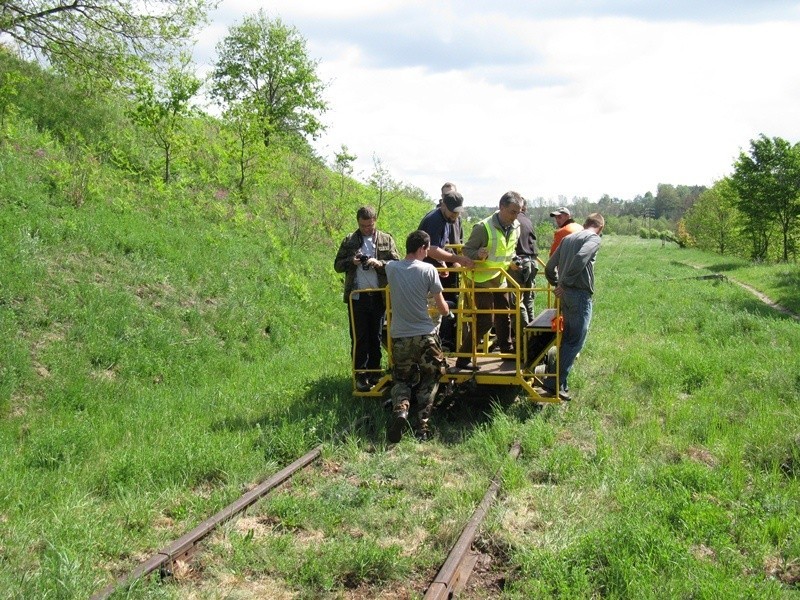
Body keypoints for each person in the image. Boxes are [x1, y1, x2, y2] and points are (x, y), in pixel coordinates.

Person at [384, 230, 451, 442]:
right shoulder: (429, 269)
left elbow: (381, 264)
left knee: (401, 379)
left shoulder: (391, 268)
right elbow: (441, 307)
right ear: (422, 248)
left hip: (400, 336)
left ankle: (401, 410)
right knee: (431, 377)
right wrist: (448, 312)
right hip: (425, 336)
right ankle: (421, 428)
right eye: (427, 249)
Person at [334, 206, 400, 391]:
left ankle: (374, 373)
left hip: (379, 295)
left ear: (375, 221)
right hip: (357, 297)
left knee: (376, 336)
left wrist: (380, 263)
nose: (367, 229)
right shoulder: (349, 240)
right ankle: (360, 375)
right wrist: (351, 262)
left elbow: (397, 263)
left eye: (370, 225)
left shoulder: (386, 239)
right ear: (358, 223)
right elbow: (337, 265)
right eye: (363, 226)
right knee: (359, 337)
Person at [455, 191, 523, 369]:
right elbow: (466, 250)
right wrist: (477, 254)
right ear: (501, 207)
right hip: (480, 279)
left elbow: (510, 250)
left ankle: (507, 351)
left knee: (504, 315)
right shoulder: (483, 227)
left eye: (518, 212)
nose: (516, 216)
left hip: (500, 277)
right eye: (513, 212)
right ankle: (463, 359)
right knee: (485, 320)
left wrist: (514, 262)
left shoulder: (516, 226)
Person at [542, 213, 605, 400]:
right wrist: (565, 284)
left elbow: (549, 267)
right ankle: (553, 383)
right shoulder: (594, 239)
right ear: (600, 228)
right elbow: (580, 259)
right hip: (578, 294)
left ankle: (558, 382)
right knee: (575, 340)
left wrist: (556, 283)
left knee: (567, 338)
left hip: (566, 296)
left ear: (584, 224)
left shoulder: (567, 238)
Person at [418, 186, 475, 350]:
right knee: (437, 307)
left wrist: (441, 262)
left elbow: (441, 246)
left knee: (448, 304)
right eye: (452, 212)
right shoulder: (435, 219)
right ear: (442, 205)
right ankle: (437, 346)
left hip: (434, 268)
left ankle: (445, 343)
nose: (455, 216)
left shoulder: (448, 219)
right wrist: (457, 259)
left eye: (457, 212)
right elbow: (432, 249)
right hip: (424, 273)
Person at [511, 196, 539, 326]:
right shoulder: (528, 220)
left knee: (516, 300)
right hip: (533, 262)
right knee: (528, 298)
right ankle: (531, 329)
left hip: (520, 263)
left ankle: (522, 334)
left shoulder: (513, 221)